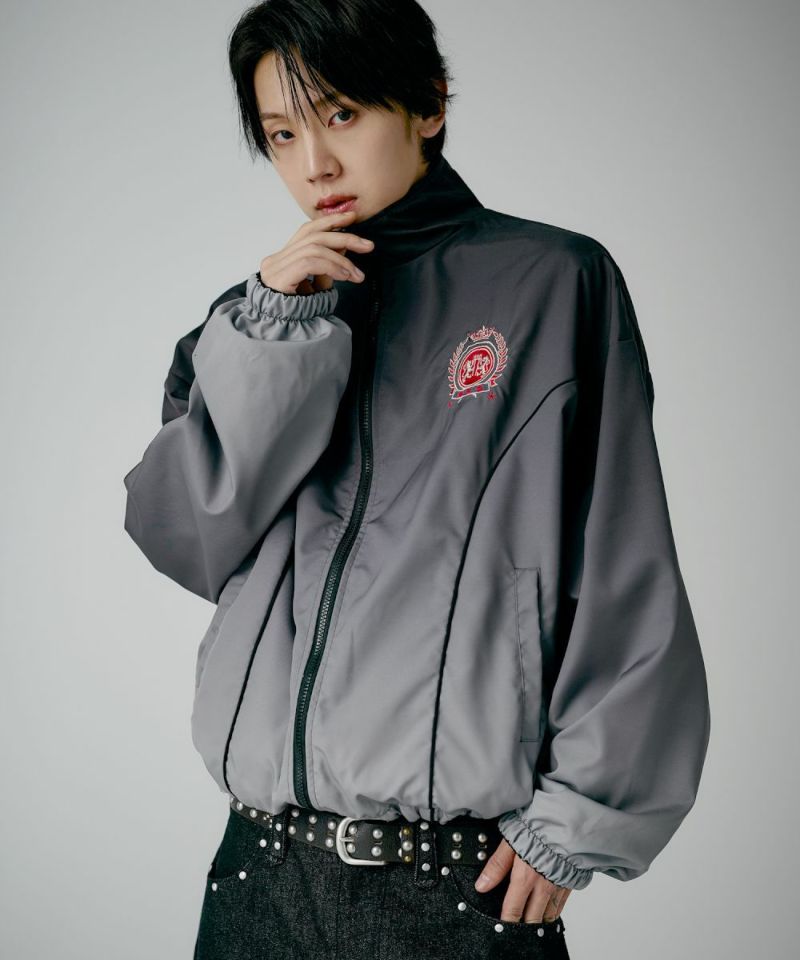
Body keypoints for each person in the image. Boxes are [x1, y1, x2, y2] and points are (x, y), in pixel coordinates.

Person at [121, 1, 711, 957]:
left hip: (450, 887)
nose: (315, 164)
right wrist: (276, 337)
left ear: (429, 105)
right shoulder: (250, 321)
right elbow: (186, 538)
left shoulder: (550, 282)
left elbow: (625, 565)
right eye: (282, 133)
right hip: (257, 873)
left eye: (342, 114)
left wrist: (577, 822)